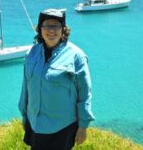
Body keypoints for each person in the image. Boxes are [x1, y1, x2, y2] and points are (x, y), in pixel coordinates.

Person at [18, 8, 94, 150]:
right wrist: (24, 115)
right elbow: (25, 88)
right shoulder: (31, 53)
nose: (51, 30)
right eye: (47, 25)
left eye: (56, 26)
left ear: (63, 29)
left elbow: (85, 93)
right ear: (40, 29)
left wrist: (83, 126)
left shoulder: (76, 56)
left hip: (62, 127)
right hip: (34, 123)